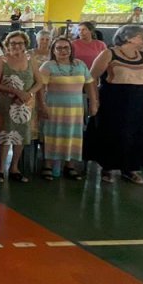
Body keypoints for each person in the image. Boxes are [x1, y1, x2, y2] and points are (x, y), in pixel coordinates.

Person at [86, 25, 143, 184]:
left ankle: (130, 168)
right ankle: (107, 167)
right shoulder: (109, 53)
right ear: (128, 37)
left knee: (136, 133)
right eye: (141, 36)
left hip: (138, 100)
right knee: (112, 132)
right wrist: (94, 101)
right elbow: (91, 78)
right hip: (114, 99)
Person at [37, 37, 97, 180]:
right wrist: (42, 105)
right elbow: (40, 88)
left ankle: (70, 166)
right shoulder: (48, 65)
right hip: (54, 108)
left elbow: (89, 84)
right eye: (59, 48)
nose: (63, 51)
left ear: (71, 50)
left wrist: (93, 102)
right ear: (53, 50)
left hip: (75, 109)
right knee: (52, 135)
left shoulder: (80, 65)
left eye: (66, 48)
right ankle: (48, 165)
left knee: (73, 136)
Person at [0, 31, 43, 183]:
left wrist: (28, 94)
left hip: (25, 104)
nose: (16, 46)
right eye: (13, 43)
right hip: (5, 103)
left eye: (20, 43)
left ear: (25, 45)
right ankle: (0, 169)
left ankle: (14, 168)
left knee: (20, 136)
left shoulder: (31, 59)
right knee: (5, 136)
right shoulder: (1, 59)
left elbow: (39, 82)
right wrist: (15, 91)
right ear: (7, 44)